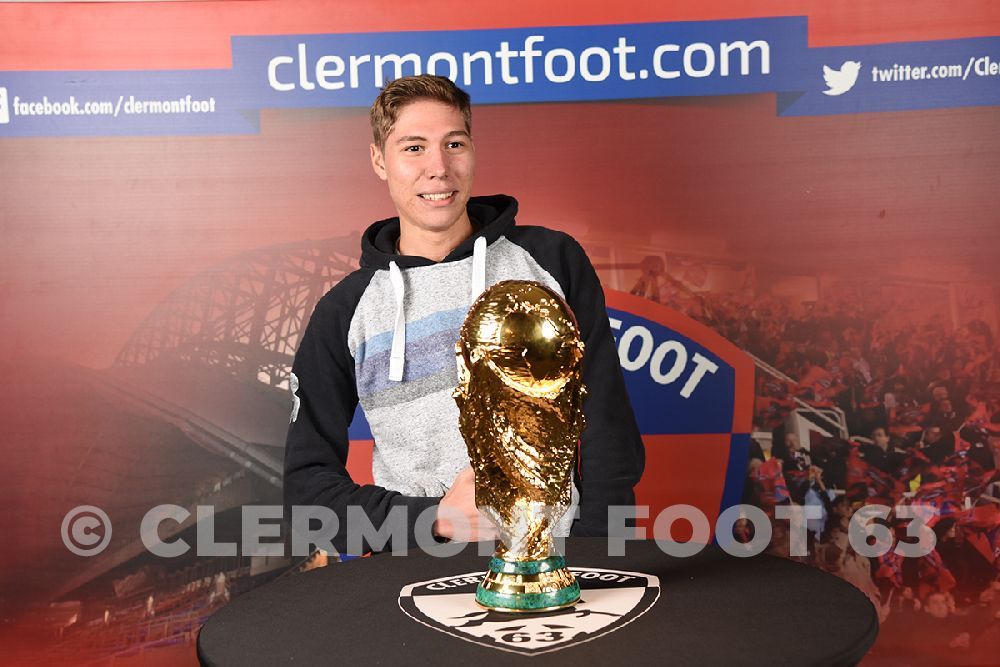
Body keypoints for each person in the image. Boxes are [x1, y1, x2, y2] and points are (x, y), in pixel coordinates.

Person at [283, 75, 645, 555]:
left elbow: (607, 425)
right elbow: (306, 495)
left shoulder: (551, 261)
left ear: (473, 149)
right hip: (415, 575)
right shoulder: (346, 310)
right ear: (379, 160)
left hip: (556, 564)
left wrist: (599, 552)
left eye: (454, 143)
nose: (439, 168)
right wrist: (432, 519)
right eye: (414, 148)